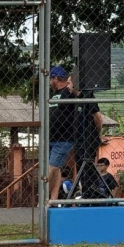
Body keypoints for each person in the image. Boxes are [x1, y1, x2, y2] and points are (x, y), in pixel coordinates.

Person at [47, 66, 76, 201]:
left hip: (64, 139)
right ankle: (54, 198)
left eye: (50, 79)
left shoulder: (68, 92)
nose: (49, 82)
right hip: (51, 137)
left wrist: (70, 82)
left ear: (55, 78)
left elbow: (75, 85)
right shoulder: (54, 94)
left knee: (51, 169)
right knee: (57, 168)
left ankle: (43, 197)